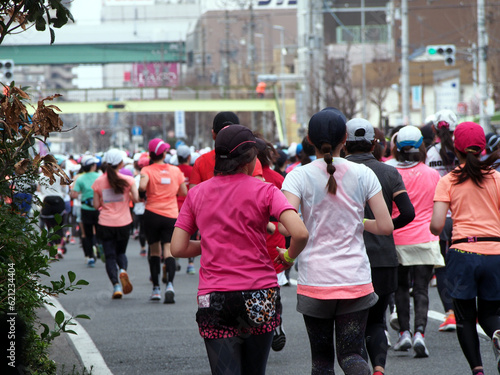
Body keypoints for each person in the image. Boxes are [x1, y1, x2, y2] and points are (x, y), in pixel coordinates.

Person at [171, 124, 309, 375]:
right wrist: (288, 257)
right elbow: (299, 233)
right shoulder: (265, 191)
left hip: (215, 297)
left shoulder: (197, 194)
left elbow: (177, 247)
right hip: (259, 293)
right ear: (249, 159)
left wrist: (209, 244)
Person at [281, 108, 394, 375]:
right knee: (353, 355)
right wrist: (360, 222)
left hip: (315, 281)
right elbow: (386, 226)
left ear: (309, 138)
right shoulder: (364, 174)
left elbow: (288, 223)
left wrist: (287, 250)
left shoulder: (297, 176)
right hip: (355, 279)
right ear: (345, 137)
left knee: (321, 362)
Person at [344, 118, 415, 375]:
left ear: (344, 144)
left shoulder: (335, 171)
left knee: (351, 323)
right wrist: (386, 228)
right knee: (376, 320)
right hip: (383, 258)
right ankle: (378, 369)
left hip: (347, 258)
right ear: (375, 144)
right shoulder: (388, 172)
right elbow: (408, 212)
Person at [430, 121, 500, 375]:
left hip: (463, 252)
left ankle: (478, 370)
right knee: (491, 313)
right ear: (482, 149)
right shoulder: (497, 178)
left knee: (465, 318)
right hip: (495, 252)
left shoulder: (448, 180)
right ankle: (497, 335)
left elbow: (437, 226)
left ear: (455, 149)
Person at [385, 125, 444, 357]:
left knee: (400, 287)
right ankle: (420, 334)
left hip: (398, 239)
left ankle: (404, 334)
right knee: (421, 289)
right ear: (421, 146)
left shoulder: (389, 171)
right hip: (426, 238)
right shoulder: (432, 174)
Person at [139, 138, 187, 303]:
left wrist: (141, 190)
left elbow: (142, 187)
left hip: (152, 213)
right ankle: (170, 286)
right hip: (171, 215)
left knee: (154, 251)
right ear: (164, 153)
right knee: (169, 251)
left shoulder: (147, 170)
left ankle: (156, 289)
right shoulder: (175, 171)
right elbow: (183, 192)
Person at [425, 109, 459, 332]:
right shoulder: (462, 151)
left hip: (439, 215)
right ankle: (467, 310)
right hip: (462, 215)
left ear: (435, 129)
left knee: (442, 266)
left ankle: (450, 313)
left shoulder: (430, 154)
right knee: (462, 261)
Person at [92, 149, 139, 299]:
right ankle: (123, 270)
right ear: (120, 163)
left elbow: (95, 205)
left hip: (105, 223)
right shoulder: (128, 180)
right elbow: (136, 199)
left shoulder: (98, 182)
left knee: (110, 256)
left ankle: (116, 286)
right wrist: (129, 195)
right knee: (121, 253)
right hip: (124, 223)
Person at [190, 111, 263, 188]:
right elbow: (259, 189)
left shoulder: (201, 161)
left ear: (213, 134)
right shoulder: (250, 159)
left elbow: (193, 193)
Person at [70, 155, 101, 267]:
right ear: (93, 166)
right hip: (99, 209)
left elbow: (74, 194)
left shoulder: (80, 178)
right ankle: (100, 248)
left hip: (85, 209)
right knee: (100, 232)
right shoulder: (100, 176)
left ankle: (89, 257)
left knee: (86, 235)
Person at [175, 144, 197, 275]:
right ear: (189, 157)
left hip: (175, 206)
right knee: (192, 234)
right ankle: (190, 264)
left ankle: (175, 258)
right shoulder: (193, 170)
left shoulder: (174, 170)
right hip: (190, 207)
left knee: (176, 232)